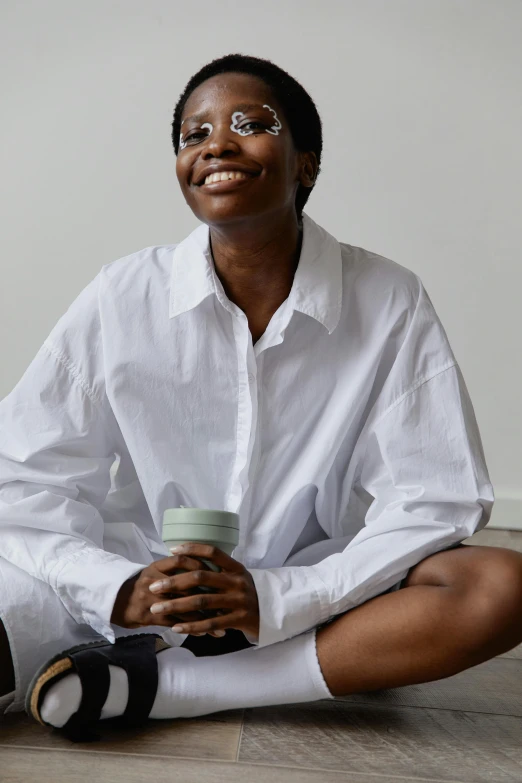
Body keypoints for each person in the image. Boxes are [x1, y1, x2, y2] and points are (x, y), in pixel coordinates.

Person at [1, 53, 521, 742]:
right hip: (131, 581)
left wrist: (277, 597)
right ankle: (134, 655)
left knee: (500, 587)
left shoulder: (388, 298)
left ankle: (170, 687)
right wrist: (119, 587)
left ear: (306, 162)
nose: (217, 142)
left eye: (251, 123)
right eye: (194, 133)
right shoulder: (122, 295)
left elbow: (436, 496)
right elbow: (21, 474)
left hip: (315, 598)